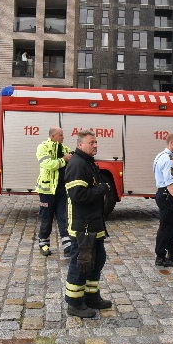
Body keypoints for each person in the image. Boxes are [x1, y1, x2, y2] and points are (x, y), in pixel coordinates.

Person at [63, 130, 112, 318]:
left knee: (97, 260)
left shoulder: (87, 163)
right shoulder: (77, 164)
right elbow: (78, 196)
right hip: (82, 226)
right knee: (81, 263)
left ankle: (92, 296)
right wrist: (101, 189)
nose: (95, 145)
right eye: (92, 142)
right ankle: (74, 303)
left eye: (96, 142)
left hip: (94, 224)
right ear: (80, 144)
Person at [35, 127, 73, 256]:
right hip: (47, 191)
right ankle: (43, 243)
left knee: (63, 216)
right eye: (60, 135)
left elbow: (71, 161)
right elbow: (47, 164)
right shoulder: (43, 147)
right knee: (47, 217)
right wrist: (64, 160)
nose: (63, 137)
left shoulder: (65, 148)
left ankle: (68, 245)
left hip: (62, 189)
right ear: (52, 136)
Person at [153, 133, 173, 267]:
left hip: (163, 193)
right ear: (171, 143)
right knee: (166, 227)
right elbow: (169, 182)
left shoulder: (161, 156)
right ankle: (160, 256)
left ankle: (172, 253)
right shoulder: (169, 160)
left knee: (171, 225)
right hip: (167, 194)